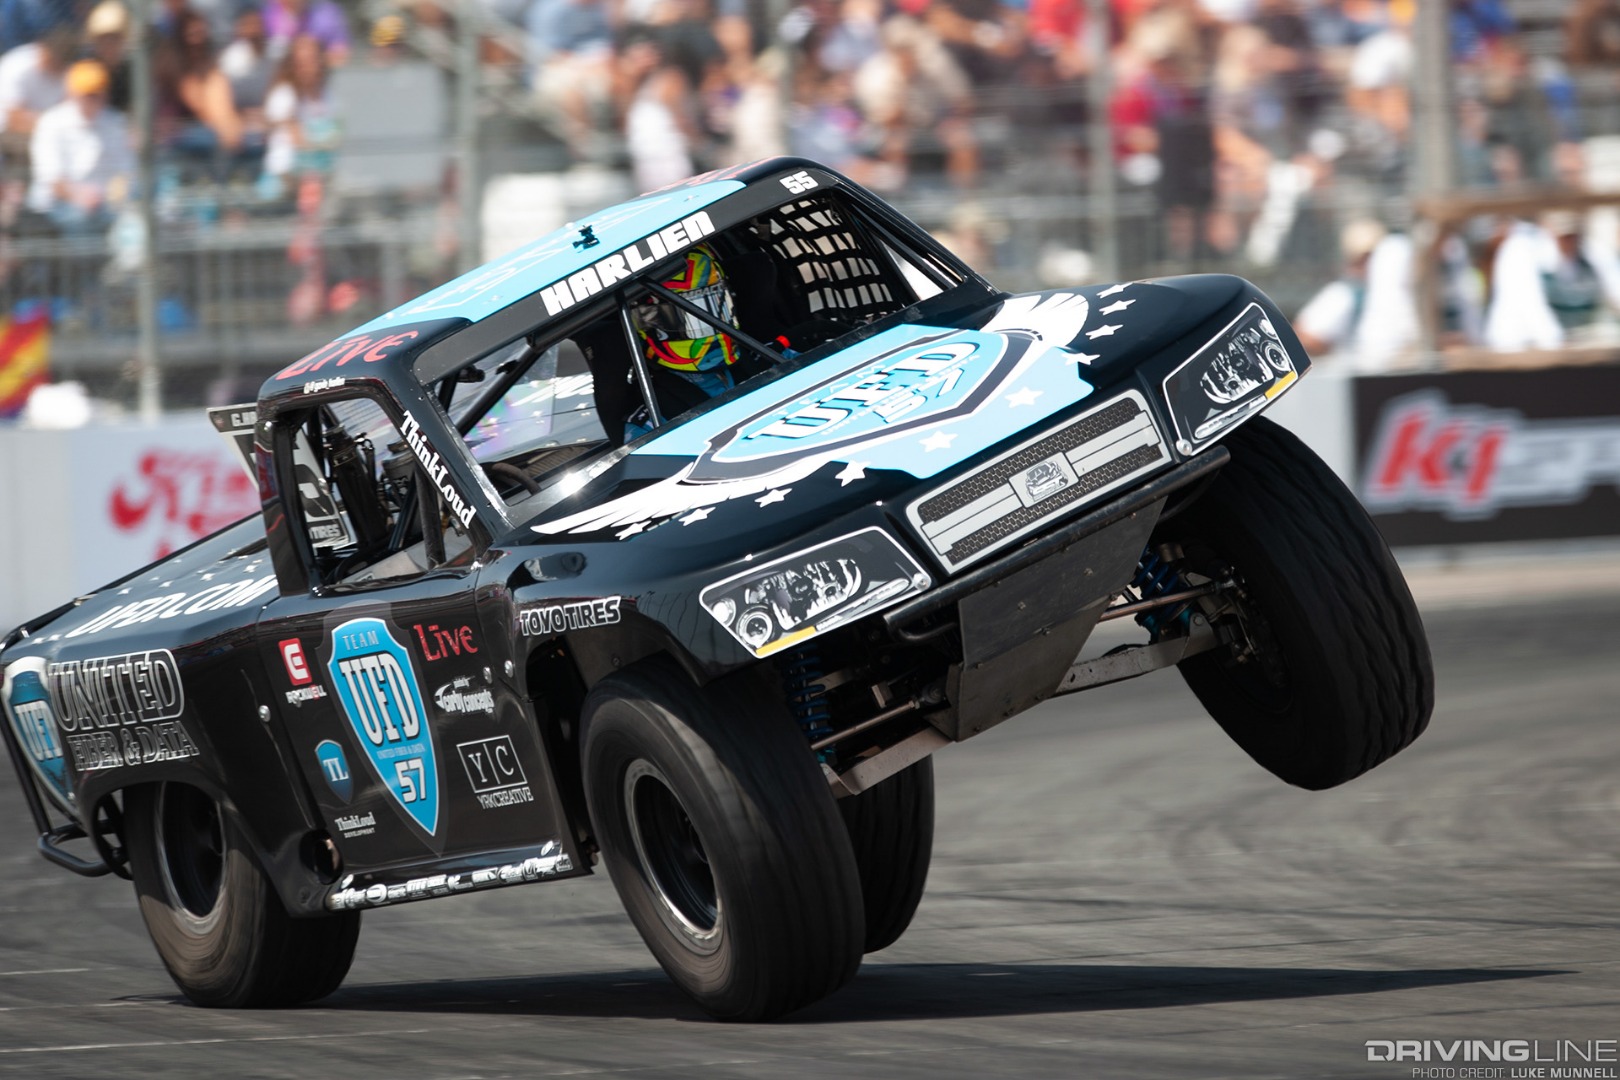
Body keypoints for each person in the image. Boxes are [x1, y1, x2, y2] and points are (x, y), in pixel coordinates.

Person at [27, 59, 132, 234]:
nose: (92, 99)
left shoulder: (115, 122)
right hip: (57, 207)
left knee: (134, 222)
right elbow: (52, 179)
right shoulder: (52, 123)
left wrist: (114, 197)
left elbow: (126, 172)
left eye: (97, 93)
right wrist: (79, 196)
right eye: (86, 93)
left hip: (107, 207)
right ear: (72, 93)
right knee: (80, 220)